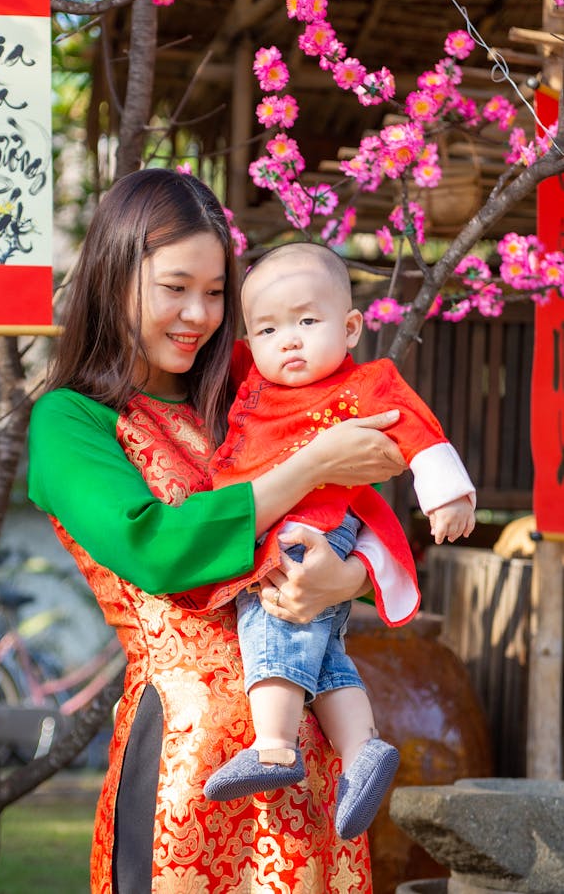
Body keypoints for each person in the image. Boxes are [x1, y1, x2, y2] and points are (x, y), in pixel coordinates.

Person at [27, 168, 409, 894]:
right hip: (186, 753)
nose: (198, 314)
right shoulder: (70, 420)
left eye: (214, 292)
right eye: (176, 287)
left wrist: (349, 578)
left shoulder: (251, 385)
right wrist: (308, 465)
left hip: (308, 749)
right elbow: (157, 546)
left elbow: (363, 493)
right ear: (114, 276)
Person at [193, 242, 476, 840]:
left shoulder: (366, 384)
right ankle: (361, 747)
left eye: (306, 320)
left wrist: (447, 493)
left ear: (350, 328)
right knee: (323, 656)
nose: (287, 340)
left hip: (308, 525)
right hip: (292, 521)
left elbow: (417, 429)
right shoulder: (258, 380)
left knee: (272, 619)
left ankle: (273, 747)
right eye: (267, 329)